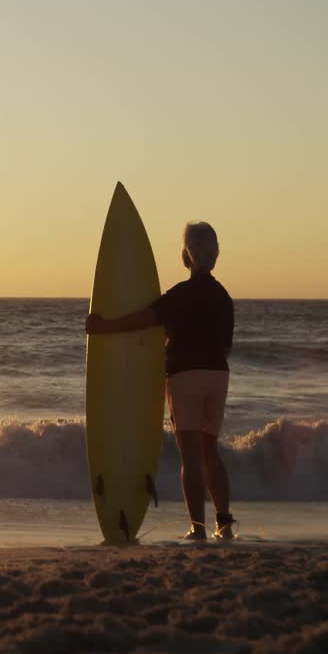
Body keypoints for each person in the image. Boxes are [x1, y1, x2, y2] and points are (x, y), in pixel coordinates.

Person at [85, 221, 235, 541]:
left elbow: (145, 318)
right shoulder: (224, 298)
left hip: (185, 376)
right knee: (211, 452)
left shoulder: (181, 295)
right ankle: (224, 524)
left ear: (187, 256)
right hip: (218, 376)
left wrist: (104, 326)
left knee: (190, 456)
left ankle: (198, 528)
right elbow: (226, 346)